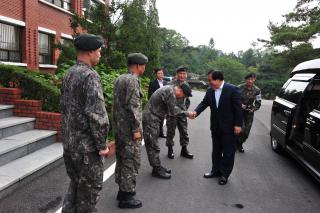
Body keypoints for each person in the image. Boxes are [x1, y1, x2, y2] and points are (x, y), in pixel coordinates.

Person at [60, 34, 110, 213]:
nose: (100, 55)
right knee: (88, 195)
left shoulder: (69, 74)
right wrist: (102, 145)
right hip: (87, 150)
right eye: (99, 51)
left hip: (70, 146)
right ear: (90, 52)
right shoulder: (90, 76)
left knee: (75, 187)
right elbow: (97, 116)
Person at [192, 70, 242, 185]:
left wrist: (238, 124)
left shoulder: (232, 90)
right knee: (216, 150)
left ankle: (225, 174)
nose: (209, 83)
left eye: (211, 80)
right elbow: (204, 103)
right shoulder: (210, 91)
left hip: (229, 127)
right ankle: (215, 171)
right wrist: (195, 112)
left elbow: (238, 108)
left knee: (228, 152)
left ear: (218, 79)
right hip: (215, 126)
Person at [112, 53, 148, 209]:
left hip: (120, 128)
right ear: (139, 66)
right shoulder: (133, 81)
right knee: (130, 161)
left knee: (121, 159)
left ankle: (122, 190)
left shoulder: (120, 78)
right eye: (144, 66)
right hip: (129, 130)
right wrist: (135, 129)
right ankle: (126, 196)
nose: (144, 68)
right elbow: (133, 107)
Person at [143, 84, 193, 179]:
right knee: (153, 145)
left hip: (154, 118)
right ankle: (156, 169)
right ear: (181, 91)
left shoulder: (170, 89)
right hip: (151, 118)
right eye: (183, 96)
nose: (181, 98)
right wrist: (187, 113)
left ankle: (157, 166)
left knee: (153, 144)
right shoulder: (170, 92)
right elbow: (173, 111)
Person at [166, 66, 193, 159]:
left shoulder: (186, 85)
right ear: (176, 74)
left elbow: (188, 99)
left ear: (186, 75)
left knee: (184, 131)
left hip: (182, 112)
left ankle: (184, 150)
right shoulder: (170, 84)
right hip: (171, 112)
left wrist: (185, 109)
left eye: (184, 73)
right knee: (170, 131)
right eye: (180, 73)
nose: (182, 75)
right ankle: (170, 149)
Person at [237, 73, 261, 152]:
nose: (250, 81)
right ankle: (235, 144)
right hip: (239, 111)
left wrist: (253, 109)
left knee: (246, 132)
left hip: (249, 113)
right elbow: (234, 98)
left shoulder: (257, 90)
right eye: (249, 79)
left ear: (254, 79)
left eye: (252, 79)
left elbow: (258, 102)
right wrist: (240, 104)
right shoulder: (239, 87)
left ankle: (239, 144)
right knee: (241, 129)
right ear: (246, 79)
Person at [148, 68, 167, 138]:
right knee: (155, 120)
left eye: (162, 73)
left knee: (161, 119)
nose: (160, 75)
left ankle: (161, 133)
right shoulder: (152, 83)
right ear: (156, 75)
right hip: (155, 104)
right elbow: (150, 95)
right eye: (159, 73)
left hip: (163, 105)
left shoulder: (165, 83)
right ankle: (153, 133)